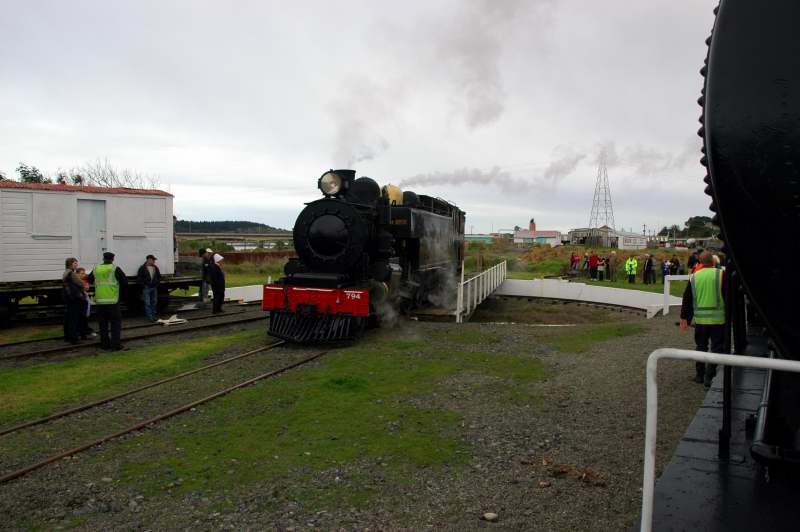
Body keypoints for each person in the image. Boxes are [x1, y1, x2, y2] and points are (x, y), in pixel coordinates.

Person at [680, 251, 726, 387]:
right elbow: (728, 296)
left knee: (701, 347)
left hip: (700, 321)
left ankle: (699, 375)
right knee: (717, 348)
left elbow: (687, 298)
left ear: (700, 262)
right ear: (713, 261)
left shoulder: (694, 277)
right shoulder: (721, 275)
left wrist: (685, 318)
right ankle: (710, 375)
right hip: (718, 320)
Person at [88, 251, 128, 351]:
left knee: (102, 324)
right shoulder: (115, 268)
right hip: (113, 301)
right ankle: (115, 345)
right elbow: (124, 282)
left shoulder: (96, 268)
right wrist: (120, 295)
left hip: (100, 301)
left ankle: (104, 344)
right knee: (115, 324)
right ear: (113, 259)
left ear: (103, 258)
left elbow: (89, 279)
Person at [62, 258, 85, 345]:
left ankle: (67, 336)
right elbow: (80, 283)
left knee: (68, 318)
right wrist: (84, 285)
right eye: (75, 263)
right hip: (74, 298)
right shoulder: (71, 273)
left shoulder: (65, 272)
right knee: (73, 319)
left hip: (69, 298)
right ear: (70, 264)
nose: (76, 265)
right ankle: (74, 338)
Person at [137, 254, 161, 321]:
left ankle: (153, 316)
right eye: (153, 260)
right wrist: (144, 286)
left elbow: (159, 277)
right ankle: (150, 317)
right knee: (147, 303)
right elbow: (139, 278)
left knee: (154, 302)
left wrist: (156, 284)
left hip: (154, 287)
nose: (154, 261)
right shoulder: (142, 268)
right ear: (149, 260)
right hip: (146, 288)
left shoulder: (155, 268)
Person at [75, 267, 94, 339]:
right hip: (81, 300)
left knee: (85, 315)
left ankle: (83, 331)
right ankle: (81, 332)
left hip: (84, 298)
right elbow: (85, 288)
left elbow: (87, 288)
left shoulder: (84, 280)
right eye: (82, 273)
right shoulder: (77, 281)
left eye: (84, 273)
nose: (84, 275)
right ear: (77, 274)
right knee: (82, 316)